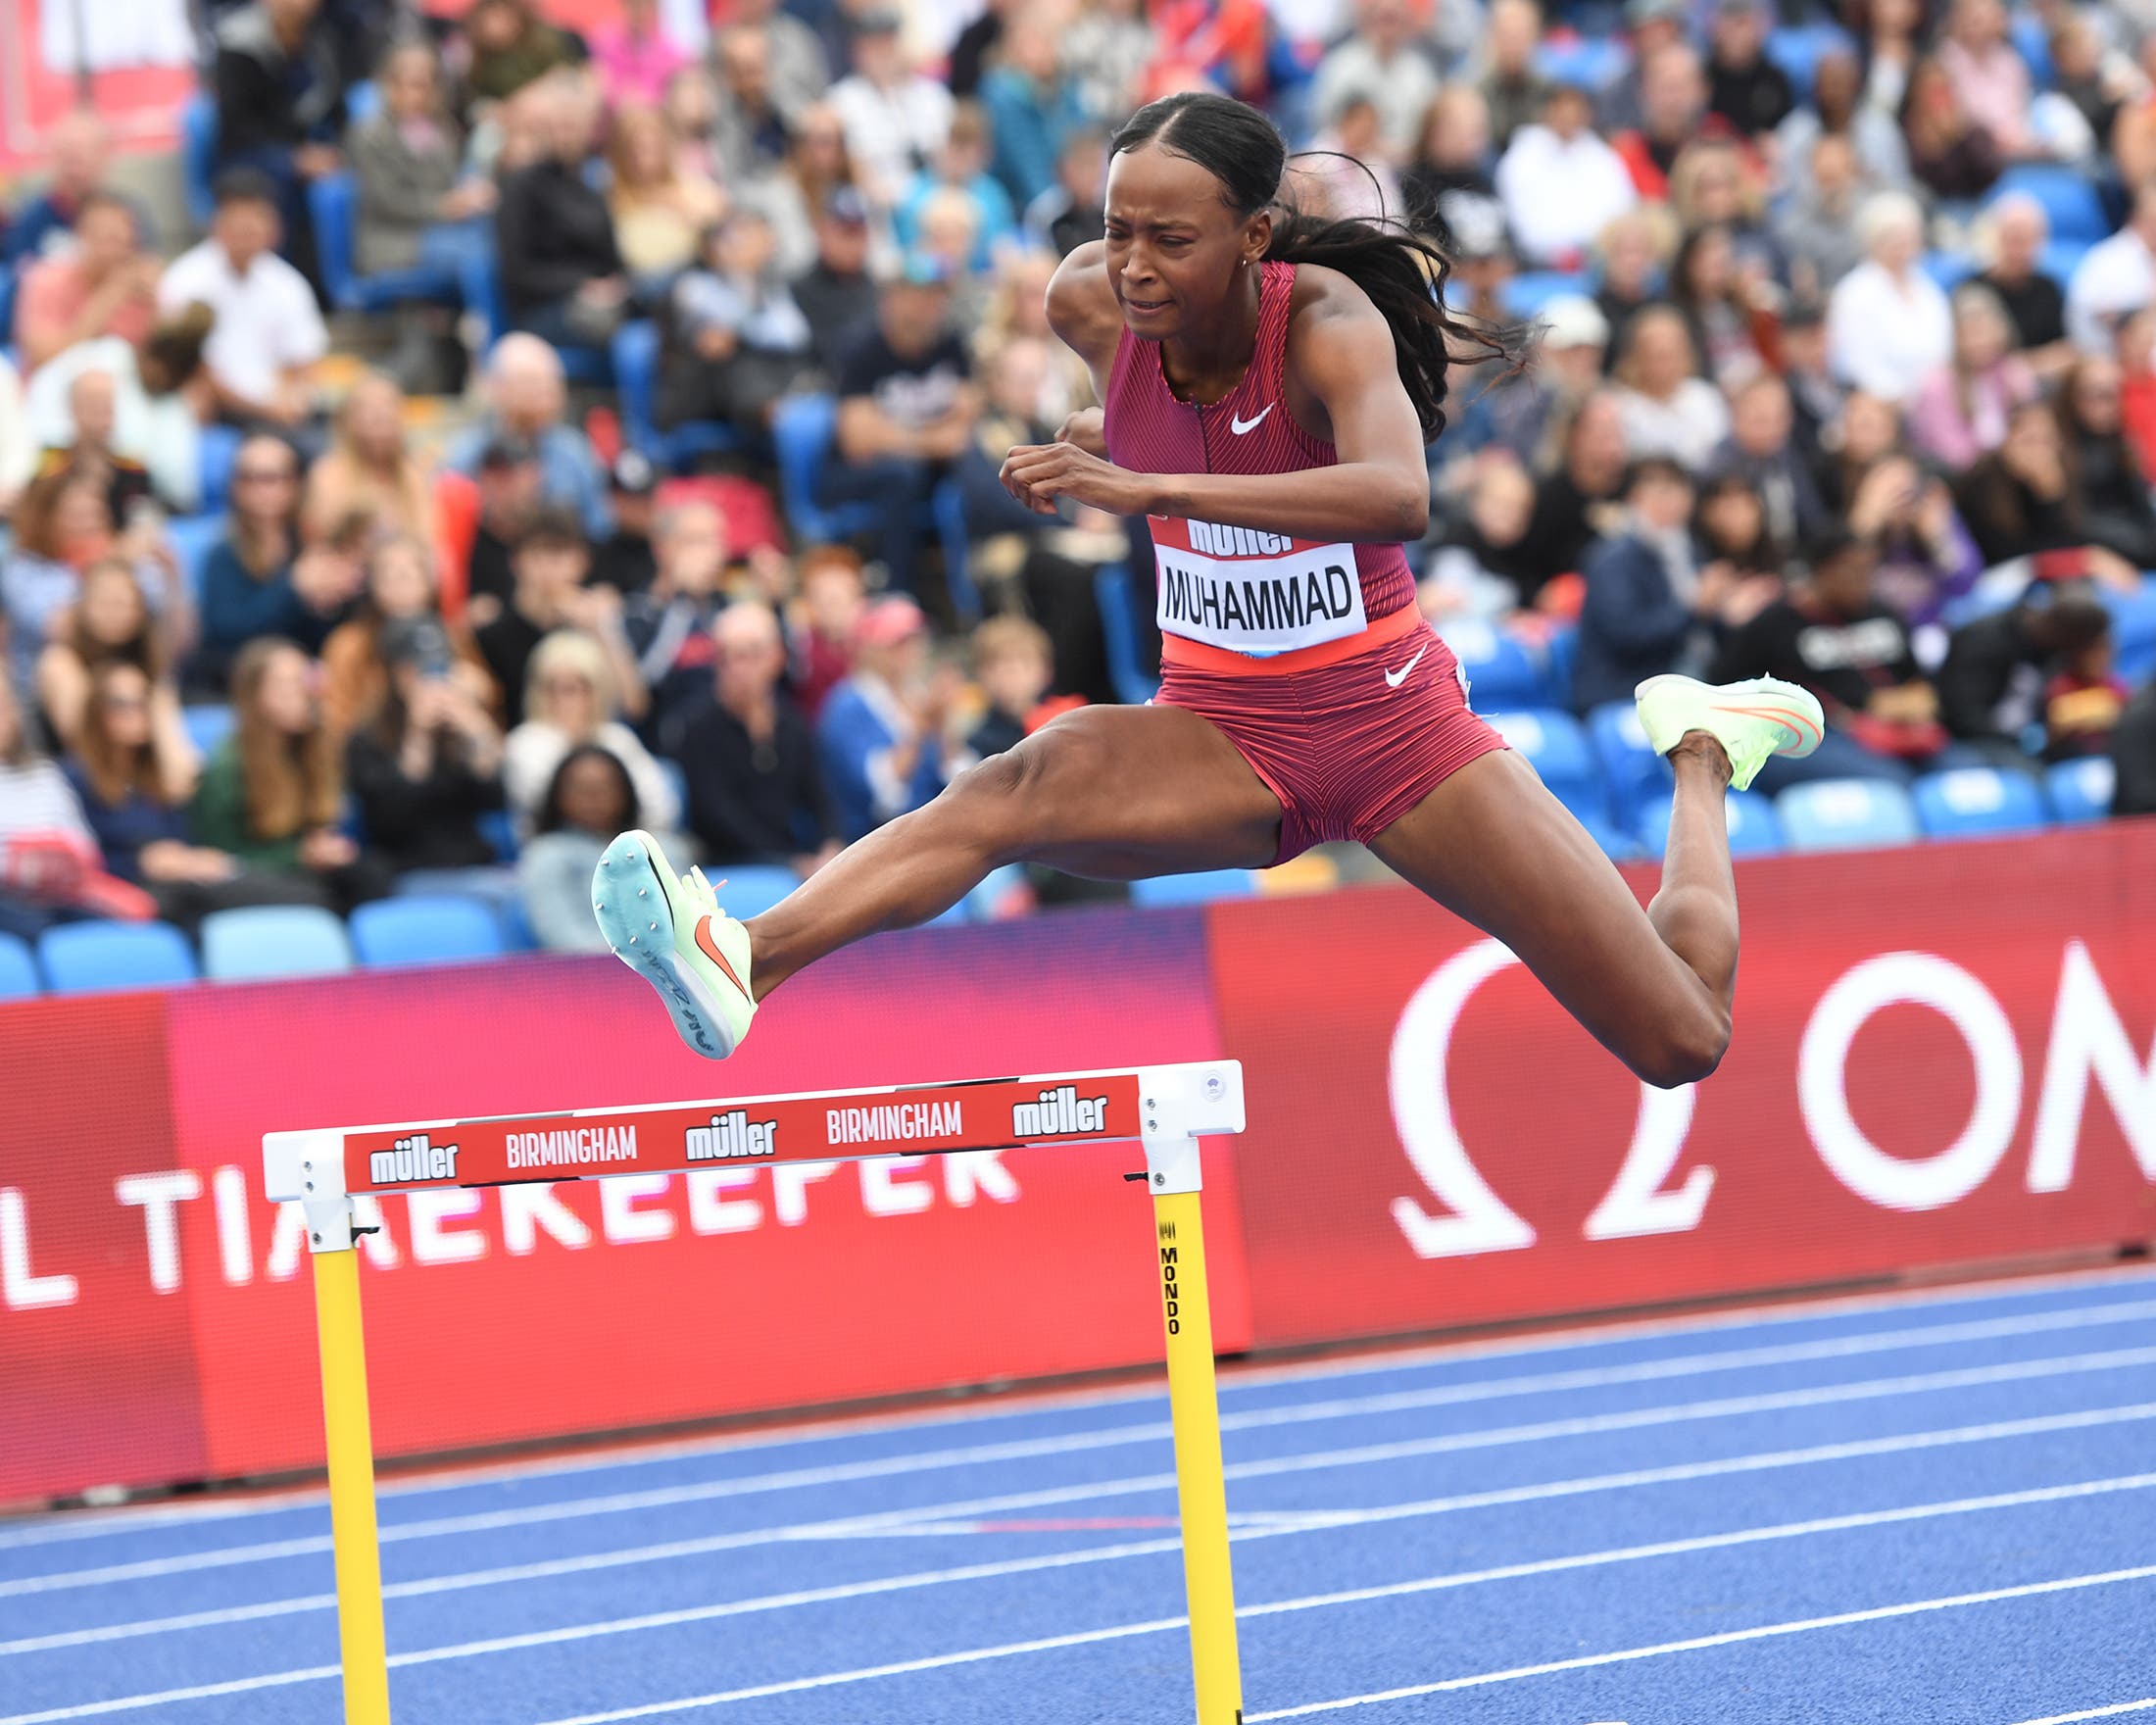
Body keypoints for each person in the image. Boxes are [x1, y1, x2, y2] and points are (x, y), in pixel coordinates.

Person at [596, 89, 1826, 1080]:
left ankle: (1702, 752)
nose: (1130, 265)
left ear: (1252, 238)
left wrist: (1150, 492)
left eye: (1169, 239)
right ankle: (743, 958)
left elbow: (1395, 494)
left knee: (1679, 1038)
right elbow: (1154, 423)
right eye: (1117, 225)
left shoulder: (1326, 321)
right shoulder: (1089, 301)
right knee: (1020, 779)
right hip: (1221, 727)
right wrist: (1103, 443)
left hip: (1390, 729)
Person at [62, 660, 322, 930]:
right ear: (95, 712)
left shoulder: (154, 776)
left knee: (301, 892)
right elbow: (81, 859)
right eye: (121, 704)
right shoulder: (77, 778)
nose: (135, 712)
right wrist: (138, 862)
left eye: (143, 702)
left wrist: (187, 859)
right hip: (130, 886)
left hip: (186, 877)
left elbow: (183, 835)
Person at [1711, 531, 1952, 789]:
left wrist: (1913, 702)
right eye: (1852, 569)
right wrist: (1859, 706)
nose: (1864, 579)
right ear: (1821, 570)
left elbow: (1917, 681)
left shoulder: (1884, 614)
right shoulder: (1776, 623)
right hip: (1818, 737)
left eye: (1870, 569)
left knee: (1962, 769)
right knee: (1892, 783)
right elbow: (1725, 685)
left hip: (1900, 731)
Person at [820, 262, 982, 594]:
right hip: (850, 474)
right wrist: (932, 439)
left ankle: (975, 593)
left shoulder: (950, 344)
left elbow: (968, 419)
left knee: (978, 463)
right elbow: (858, 440)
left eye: (937, 299)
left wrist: (897, 435)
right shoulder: (861, 349)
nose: (932, 308)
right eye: (921, 298)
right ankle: (899, 594)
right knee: (902, 474)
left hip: (925, 466)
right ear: (893, 300)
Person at [189, 637, 384, 911]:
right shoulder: (228, 765)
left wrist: (325, 849)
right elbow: (222, 857)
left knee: (371, 875)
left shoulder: (316, 750)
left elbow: (325, 821)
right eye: (286, 685)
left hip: (306, 869)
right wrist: (297, 856)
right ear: (255, 695)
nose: (303, 693)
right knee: (314, 896)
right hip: (253, 876)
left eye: (304, 682)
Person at [1573, 457, 1775, 712]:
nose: (1670, 505)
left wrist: (1727, 615)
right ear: (1636, 498)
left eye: (1678, 494)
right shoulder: (1611, 560)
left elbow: (1700, 628)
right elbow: (1627, 636)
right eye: (1660, 495)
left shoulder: (1690, 549)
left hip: (1693, 682)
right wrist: (1695, 607)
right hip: (1626, 689)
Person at [344, 615, 514, 893]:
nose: (429, 678)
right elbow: (390, 818)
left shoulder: (459, 729)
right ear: (393, 674)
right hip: (408, 869)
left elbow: (497, 798)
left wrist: (477, 730)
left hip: (474, 865)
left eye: (438, 667)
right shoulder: (366, 740)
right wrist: (418, 736)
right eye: (414, 669)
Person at [157, 171, 329, 433]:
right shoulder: (184, 280)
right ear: (217, 222)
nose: (247, 229)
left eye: (256, 218)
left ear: (273, 226)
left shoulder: (288, 284)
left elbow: (305, 362)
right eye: (238, 219)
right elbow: (195, 368)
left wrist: (294, 400)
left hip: (278, 409)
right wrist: (262, 408)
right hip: (218, 410)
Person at [675, 599, 837, 871]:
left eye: (751, 654)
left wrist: (831, 844)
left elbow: (821, 797)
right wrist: (789, 861)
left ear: (777, 657)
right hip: (729, 866)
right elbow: (717, 819)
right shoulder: (697, 727)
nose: (739, 668)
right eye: (727, 656)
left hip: (791, 860)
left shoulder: (791, 722)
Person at [195, 435, 363, 689]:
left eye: (272, 478)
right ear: (235, 486)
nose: (261, 490)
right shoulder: (223, 554)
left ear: (295, 483)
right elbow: (225, 632)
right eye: (249, 478)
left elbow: (328, 638)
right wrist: (292, 589)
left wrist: (331, 602)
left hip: (311, 682)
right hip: (239, 684)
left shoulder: (314, 547)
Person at [495, 75, 629, 354]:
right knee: (611, 322)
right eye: (557, 127)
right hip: (545, 310)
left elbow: (611, 257)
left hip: (600, 300)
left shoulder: (592, 184)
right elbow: (517, 271)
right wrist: (582, 285)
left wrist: (614, 286)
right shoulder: (522, 186)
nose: (564, 135)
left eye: (572, 126)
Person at [505, 628, 677, 836]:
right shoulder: (526, 743)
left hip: (624, 848)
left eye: (578, 687)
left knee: (674, 852)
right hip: (559, 847)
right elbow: (545, 807)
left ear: (598, 689)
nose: (566, 699)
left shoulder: (618, 738)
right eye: (555, 687)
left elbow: (659, 804)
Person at [319, 535, 494, 738]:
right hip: (375, 751)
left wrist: (474, 691)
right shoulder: (350, 644)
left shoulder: (451, 636)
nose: (399, 581)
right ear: (372, 585)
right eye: (388, 574)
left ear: (428, 582)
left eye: (409, 573)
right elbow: (338, 719)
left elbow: (488, 700)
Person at [1936, 584, 2114, 766]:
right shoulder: (1983, 640)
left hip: (2028, 741)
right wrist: (2025, 738)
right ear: (2068, 636)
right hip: (1970, 741)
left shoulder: (2055, 650)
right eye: (2082, 646)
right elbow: (1963, 715)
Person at [33, 558, 184, 752]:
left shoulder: (151, 662)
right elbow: (83, 744)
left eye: (123, 602)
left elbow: (173, 744)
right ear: (82, 606)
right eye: (104, 602)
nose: (114, 612)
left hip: (144, 770)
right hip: (77, 773)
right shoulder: (58, 662)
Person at [11, 193, 161, 376]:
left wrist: (156, 306)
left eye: (123, 241)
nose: (116, 250)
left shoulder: (141, 286)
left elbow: (156, 367)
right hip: (54, 389)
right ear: (81, 236)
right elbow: (43, 359)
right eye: (108, 239)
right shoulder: (45, 280)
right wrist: (110, 296)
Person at [1827, 190, 1953, 405]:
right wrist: (1896, 397)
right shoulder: (1855, 292)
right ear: (1873, 240)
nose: (1902, 245)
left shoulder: (1926, 286)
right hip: (1882, 403)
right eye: (1892, 237)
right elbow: (1856, 361)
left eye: (1908, 237)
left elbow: (1945, 344)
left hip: (1934, 400)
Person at [1494, 81, 1638, 271]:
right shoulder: (1521, 158)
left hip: (1598, 259)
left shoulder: (1603, 157)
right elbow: (1520, 220)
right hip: (1537, 262)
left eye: (1575, 109)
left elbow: (1622, 207)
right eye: (1561, 108)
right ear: (1547, 111)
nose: (1568, 116)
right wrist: (1558, 252)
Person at [520, 744, 644, 949]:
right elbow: (563, 939)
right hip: (585, 974)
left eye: (604, 787)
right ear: (558, 796)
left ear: (625, 792)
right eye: (581, 788)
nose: (593, 797)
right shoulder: (545, 856)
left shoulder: (655, 850)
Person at [1908, 282, 2038, 469]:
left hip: (2011, 469)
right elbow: (1952, 452)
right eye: (1970, 333)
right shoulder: (1937, 384)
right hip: (1960, 475)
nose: (1979, 342)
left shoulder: (2014, 372)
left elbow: (2031, 427)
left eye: (1984, 331)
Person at [302, 372, 438, 551]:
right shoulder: (328, 474)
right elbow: (327, 540)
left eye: (389, 405)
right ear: (348, 419)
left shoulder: (414, 475)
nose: (381, 414)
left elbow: (426, 541)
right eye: (367, 407)